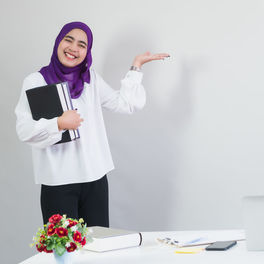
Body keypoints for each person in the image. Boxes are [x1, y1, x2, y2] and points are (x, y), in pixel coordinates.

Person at [15, 21, 169, 227]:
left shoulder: (90, 80)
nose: (73, 48)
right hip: (59, 182)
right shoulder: (36, 81)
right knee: (64, 253)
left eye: (81, 45)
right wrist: (58, 123)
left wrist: (136, 67)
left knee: (97, 249)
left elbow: (124, 104)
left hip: (94, 179)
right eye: (68, 40)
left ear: (87, 52)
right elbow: (24, 131)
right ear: (58, 42)